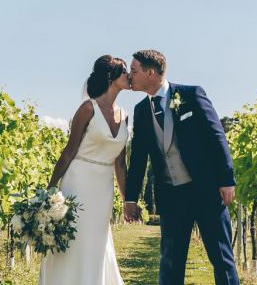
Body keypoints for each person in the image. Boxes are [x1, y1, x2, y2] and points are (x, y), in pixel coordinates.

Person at [124, 49, 240, 285]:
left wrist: (226, 179)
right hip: (171, 196)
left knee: (221, 258)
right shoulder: (141, 110)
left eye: (134, 71)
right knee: (170, 262)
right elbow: (137, 159)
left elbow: (216, 136)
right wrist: (130, 198)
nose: (129, 76)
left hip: (206, 191)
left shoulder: (191, 95)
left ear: (151, 73)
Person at [38, 55, 131, 285]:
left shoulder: (125, 115)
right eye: (124, 71)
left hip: (103, 188)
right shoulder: (88, 108)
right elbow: (69, 151)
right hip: (78, 182)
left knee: (97, 242)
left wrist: (127, 200)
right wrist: (50, 190)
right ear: (111, 77)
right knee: (75, 241)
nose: (129, 75)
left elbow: (120, 164)